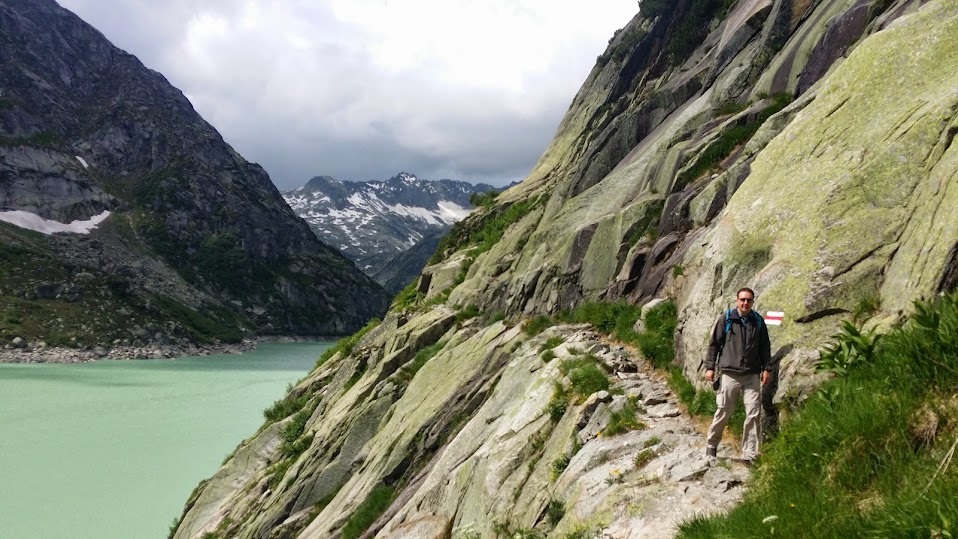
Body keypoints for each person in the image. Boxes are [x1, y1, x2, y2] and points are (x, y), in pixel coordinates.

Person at [704, 287, 774, 462]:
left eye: (749, 300)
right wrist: (710, 367)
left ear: (752, 302)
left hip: (752, 374)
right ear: (737, 301)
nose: (745, 303)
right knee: (724, 411)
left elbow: (765, 346)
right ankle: (712, 445)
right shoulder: (727, 319)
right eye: (742, 299)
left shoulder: (758, 321)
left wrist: (767, 368)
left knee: (753, 412)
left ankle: (750, 453)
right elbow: (714, 344)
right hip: (730, 373)